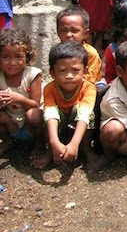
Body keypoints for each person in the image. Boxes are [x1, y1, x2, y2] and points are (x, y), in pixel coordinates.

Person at [0, 28, 43, 161]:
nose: (12, 63)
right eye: (6, 57)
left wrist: (19, 99)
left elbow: (35, 104)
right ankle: (8, 141)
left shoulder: (33, 75)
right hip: (11, 123)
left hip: (30, 125)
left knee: (34, 115)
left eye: (18, 57)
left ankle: (39, 145)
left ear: (26, 56)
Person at [36, 41, 97, 169]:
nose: (69, 76)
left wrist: (74, 143)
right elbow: (51, 114)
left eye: (75, 70)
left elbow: (84, 116)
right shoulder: (50, 88)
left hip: (78, 122)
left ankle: (85, 149)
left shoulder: (89, 88)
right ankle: (50, 150)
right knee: (46, 118)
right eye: (63, 70)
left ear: (85, 70)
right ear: (52, 72)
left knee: (89, 115)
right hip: (59, 122)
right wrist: (54, 143)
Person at [56, 6, 103, 85]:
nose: (68, 35)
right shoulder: (57, 53)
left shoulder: (90, 54)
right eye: (63, 30)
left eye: (74, 31)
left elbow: (90, 80)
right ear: (58, 32)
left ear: (86, 33)